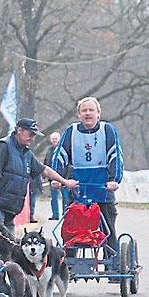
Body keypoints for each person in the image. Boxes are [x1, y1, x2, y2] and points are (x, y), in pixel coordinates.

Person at [0, 118, 78, 233]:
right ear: (19, 130)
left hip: (9, 209)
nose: (32, 138)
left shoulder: (26, 153)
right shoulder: (3, 146)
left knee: (8, 246)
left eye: (34, 135)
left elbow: (45, 170)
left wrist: (65, 181)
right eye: (30, 134)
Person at [51, 96, 123, 252]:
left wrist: (115, 180)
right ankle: (69, 263)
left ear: (98, 113)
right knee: (71, 229)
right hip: (78, 188)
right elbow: (60, 155)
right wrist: (57, 177)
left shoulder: (107, 130)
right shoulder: (71, 131)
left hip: (103, 189)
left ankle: (113, 263)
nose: (88, 113)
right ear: (79, 115)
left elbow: (115, 155)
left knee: (108, 229)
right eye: (84, 110)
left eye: (91, 110)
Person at [44, 131, 67, 220]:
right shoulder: (49, 150)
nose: (54, 140)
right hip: (51, 178)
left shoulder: (63, 149)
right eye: (53, 139)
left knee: (65, 197)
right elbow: (46, 162)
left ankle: (65, 214)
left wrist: (63, 178)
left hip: (63, 178)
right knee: (54, 197)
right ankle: (55, 214)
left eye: (56, 139)